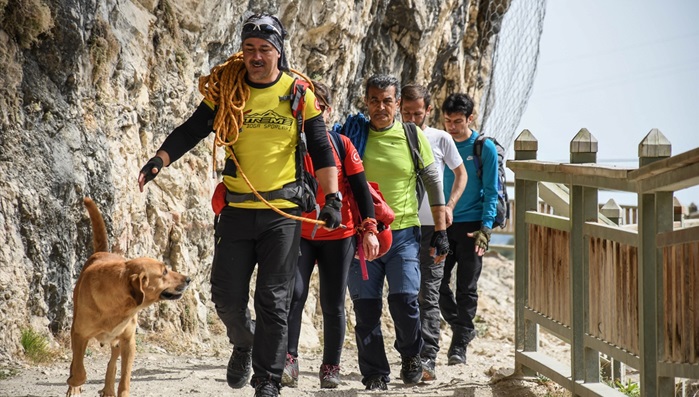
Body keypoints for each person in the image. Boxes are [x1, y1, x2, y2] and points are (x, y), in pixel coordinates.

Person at [137, 14, 342, 397]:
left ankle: (267, 381)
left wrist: (333, 198)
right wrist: (159, 160)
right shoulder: (227, 89)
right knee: (225, 296)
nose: (256, 56)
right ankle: (244, 342)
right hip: (235, 209)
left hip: (282, 213)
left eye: (265, 49)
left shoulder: (299, 92)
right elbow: (193, 129)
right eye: (249, 49)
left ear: (278, 51)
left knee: (274, 299)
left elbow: (321, 146)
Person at [341, 74, 450, 390]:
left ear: (398, 104)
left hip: (402, 233)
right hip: (361, 236)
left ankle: (412, 356)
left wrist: (440, 230)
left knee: (404, 301)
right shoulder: (354, 136)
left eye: (387, 100)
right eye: (374, 100)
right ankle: (375, 373)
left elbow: (433, 183)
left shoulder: (412, 136)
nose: (380, 107)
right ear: (366, 102)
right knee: (366, 308)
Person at [282, 81, 380, 389]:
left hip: (339, 234)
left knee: (333, 303)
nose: (318, 112)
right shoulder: (289, 144)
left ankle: (330, 367)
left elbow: (362, 190)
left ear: (329, 110)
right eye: (312, 106)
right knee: (294, 295)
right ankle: (289, 360)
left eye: (322, 107)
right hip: (299, 232)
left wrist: (370, 228)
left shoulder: (342, 144)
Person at [399, 84, 467, 381]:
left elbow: (460, 173)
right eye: (407, 113)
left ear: (429, 110)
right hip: (403, 227)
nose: (413, 119)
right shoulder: (393, 135)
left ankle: (428, 358)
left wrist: (449, 206)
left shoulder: (440, 138)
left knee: (429, 293)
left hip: (435, 229)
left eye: (418, 113)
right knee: (404, 294)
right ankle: (409, 353)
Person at [439, 93, 498, 366]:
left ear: (470, 119)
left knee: (466, 287)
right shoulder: (439, 143)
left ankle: (459, 345)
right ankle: (462, 325)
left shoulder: (483, 148)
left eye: (458, 121)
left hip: (473, 226)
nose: (452, 127)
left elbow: (491, 192)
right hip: (443, 222)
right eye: (448, 121)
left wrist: (486, 229)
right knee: (435, 282)